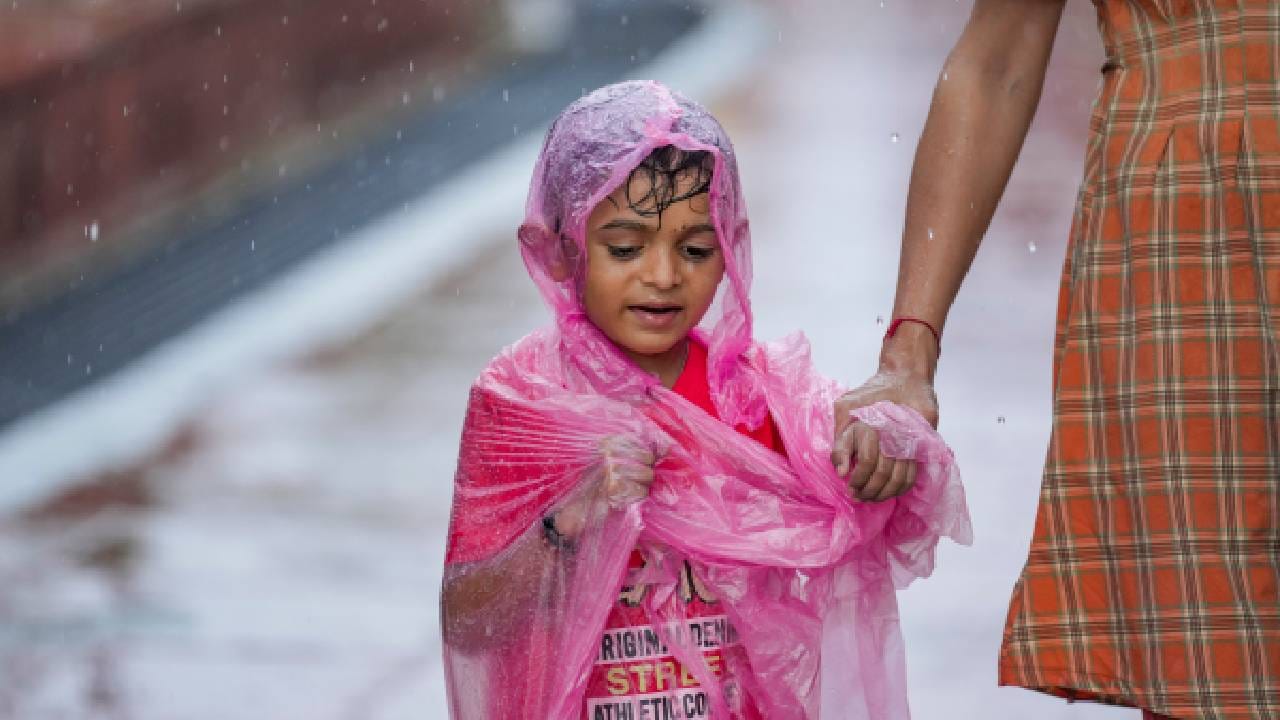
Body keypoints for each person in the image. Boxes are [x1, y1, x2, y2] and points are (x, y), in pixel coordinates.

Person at [439, 80, 972, 720]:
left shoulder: (758, 397)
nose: (664, 276)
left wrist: (878, 448)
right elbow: (469, 617)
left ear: (730, 248)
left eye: (695, 249)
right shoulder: (525, 403)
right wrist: (572, 518)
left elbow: (863, 475)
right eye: (625, 248)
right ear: (559, 249)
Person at [830, 2, 1278, 719]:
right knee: (1218, 660)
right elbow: (996, 63)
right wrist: (909, 350)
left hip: (1185, 214)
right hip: (1190, 257)